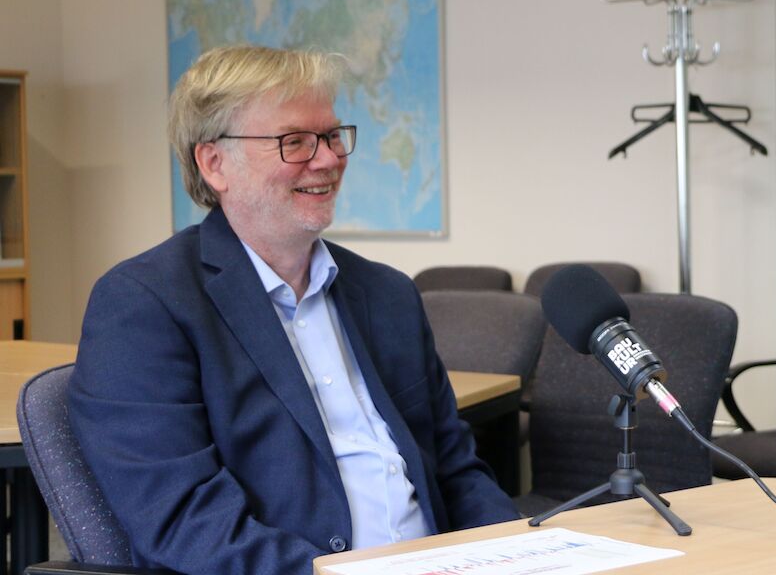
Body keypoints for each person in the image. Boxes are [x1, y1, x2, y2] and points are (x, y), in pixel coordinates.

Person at [68, 45, 519, 575]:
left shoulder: (388, 294)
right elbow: (186, 522)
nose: (327, 159)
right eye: (295, 142)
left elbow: (456, 472)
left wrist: (516, 552)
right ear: (215, 164)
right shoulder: (146, 304)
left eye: (330, 136)